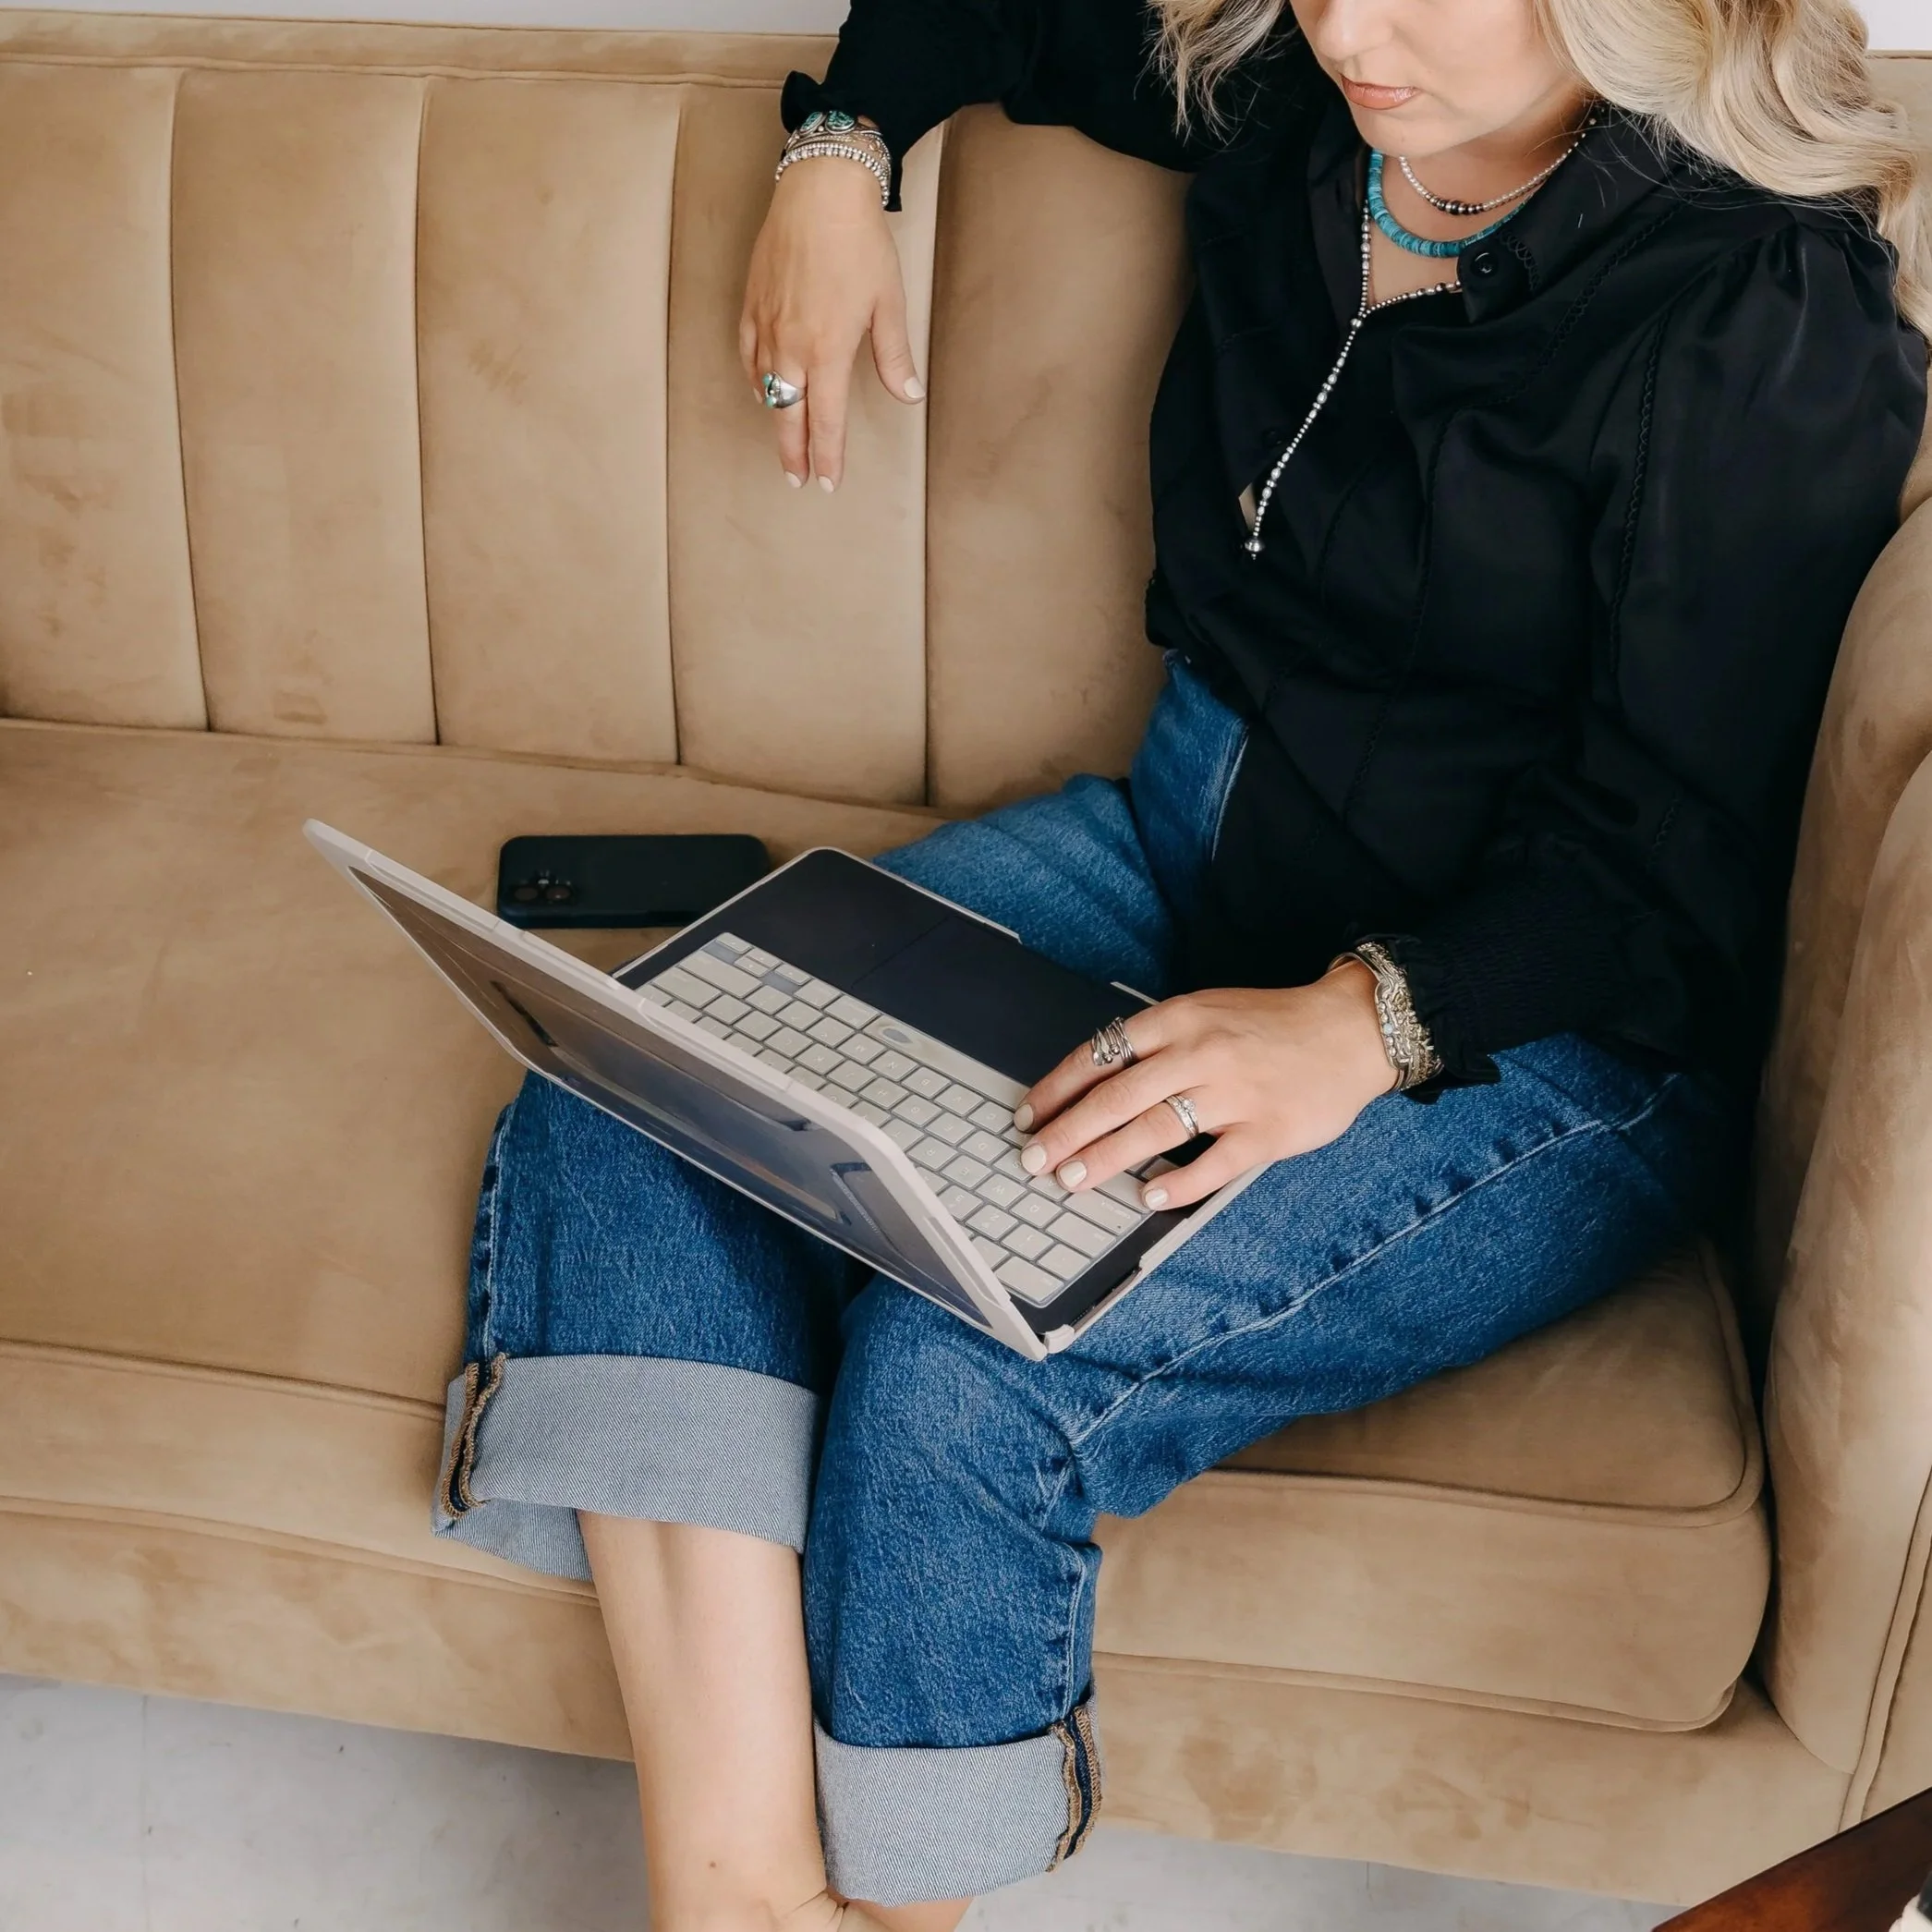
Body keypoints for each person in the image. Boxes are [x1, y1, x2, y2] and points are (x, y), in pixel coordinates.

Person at [432, 0, 1928, 1926]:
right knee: (637, 1081)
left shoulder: (1759, 303)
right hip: (1185, 836)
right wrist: (837, 157)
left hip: (1537, 1020)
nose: (1349, 26)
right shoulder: (1301, 92)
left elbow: (1677, 861)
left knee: (976, 1348)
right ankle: (733, 1900)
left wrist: (1363, 1020)